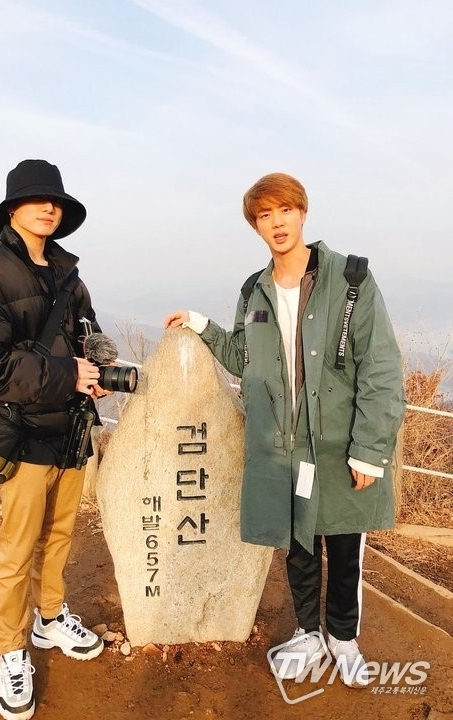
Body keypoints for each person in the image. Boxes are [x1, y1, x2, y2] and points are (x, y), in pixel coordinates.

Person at [164, 172, 406, 688]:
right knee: (298, 545)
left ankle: (343, 637)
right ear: (255, 225)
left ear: (302, 212)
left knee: (344, 546)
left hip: (338, 445)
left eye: (285, 210)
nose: (276, 223)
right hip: (284, 449)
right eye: (264, 215)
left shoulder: (351, 280)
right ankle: (308, 631)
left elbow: (382, 369)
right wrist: (202, 326)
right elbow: (245, 359)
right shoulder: (254, 290)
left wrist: (369, 449)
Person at [0, 159, 106, 720]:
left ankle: (50, 617)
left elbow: (89, 333)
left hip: (71, 430)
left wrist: (98, 369)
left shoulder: (68, 274)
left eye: (55, 200)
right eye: (37, 199)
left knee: (59, 535)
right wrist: (67, 374)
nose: (49, 207)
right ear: (12, 208)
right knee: (17, 550)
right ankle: (12, 652)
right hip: (22, 435)